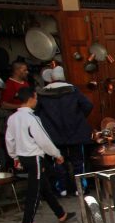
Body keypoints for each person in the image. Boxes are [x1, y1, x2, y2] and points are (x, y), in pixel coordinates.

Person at [5, 87, 76, 223]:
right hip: (34, 157)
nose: (37, 101)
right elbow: (43, 140)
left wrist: (15, 157)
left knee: (44, 187)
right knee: (34, 191)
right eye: (36, 98)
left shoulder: (12, 118)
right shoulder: (32, 118)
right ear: (31, 99)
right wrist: (57, 154)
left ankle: (61, 214)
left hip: (23, 158)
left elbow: (9, 140)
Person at [35, 66, 94, 196]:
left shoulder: (43, 94)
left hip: (54, 134)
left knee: (58, 160)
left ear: (51, 78)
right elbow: (88, 105)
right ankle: (80, 188)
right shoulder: (73, 90)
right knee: (78, 161)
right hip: (75, 132)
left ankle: (62, 189)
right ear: (64, 77)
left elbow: (37, 113)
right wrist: (79, 117)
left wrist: (48, 123)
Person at [0, 61, 30, 169]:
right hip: (16, 119)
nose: (27, 72)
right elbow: (4, 104)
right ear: (16, 70)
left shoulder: (26, 83)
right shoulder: (10, 85)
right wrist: (21, 106)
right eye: (24, 70)